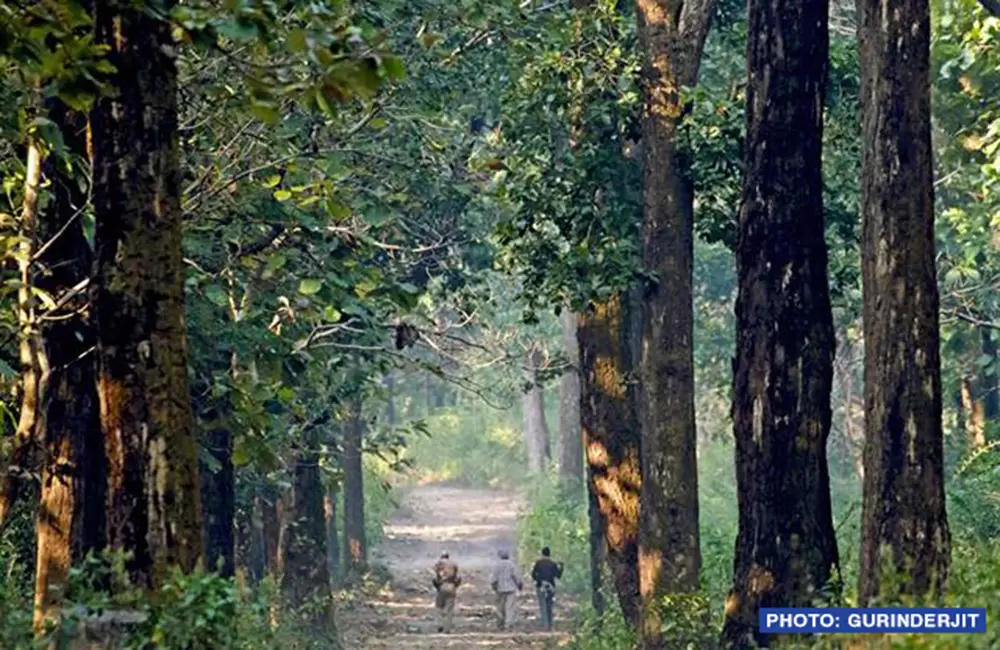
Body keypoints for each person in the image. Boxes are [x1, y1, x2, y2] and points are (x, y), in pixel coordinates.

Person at [530, 547, 563, 631]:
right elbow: (558, 576)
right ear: (549, 554)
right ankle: (550, 625)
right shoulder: (553, 564)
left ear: (542, 554)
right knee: (550, 605)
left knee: (543, 605)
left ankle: (545, 625)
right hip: (551, 586)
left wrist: (538, 581)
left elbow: (533, 574)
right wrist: (562, 567)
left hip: (541, 586)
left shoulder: (538, 563)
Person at [489, 549, 523, 631]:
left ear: (500, 556)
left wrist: (494, 587)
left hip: (500, 589)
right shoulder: (512, 565)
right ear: (508, 556)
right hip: (511, 589)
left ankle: (500, 623)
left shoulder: (496, 565)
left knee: (500, 607)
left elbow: (493, 579)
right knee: (510, 607)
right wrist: (519, 586)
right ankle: (508, 625)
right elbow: (517, 577)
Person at [432, 551, 461, 633]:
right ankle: (447, 628)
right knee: (449, 610)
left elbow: (435, 578)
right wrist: (455, 586)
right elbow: (458, 578)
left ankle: (440, 624)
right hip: (451, 587)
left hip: (442, 586)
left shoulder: (439, 564)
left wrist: (437, 587)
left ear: (441, 557)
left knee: (439, 607)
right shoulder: (454, 564)